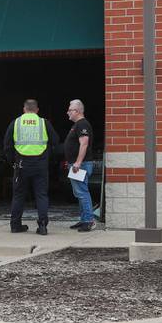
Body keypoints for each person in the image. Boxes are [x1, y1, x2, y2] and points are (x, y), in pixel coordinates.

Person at [4, 98, 59, 235]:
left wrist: (13, 162)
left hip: (21, 164)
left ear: (24, 109)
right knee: (41, 195)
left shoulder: (16, 123)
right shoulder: (43, 123)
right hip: (40, 164)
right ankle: (42, 226)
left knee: (18, 195)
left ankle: (15, 225)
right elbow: (55, 141)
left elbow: (7, 145)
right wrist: (48, 159)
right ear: (37, 110)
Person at [61, 99, 96, 231]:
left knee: (82, 192)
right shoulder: (78, 125)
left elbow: (84, 143)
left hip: (80, 165)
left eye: (70, 110)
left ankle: (89, 221)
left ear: (77, 111)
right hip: (77, 164)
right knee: (79, 192)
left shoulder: (82, 125)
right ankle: (83, 219)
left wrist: (78, 162)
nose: (67, 112)